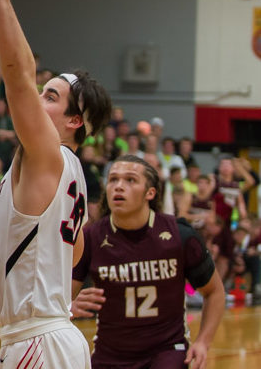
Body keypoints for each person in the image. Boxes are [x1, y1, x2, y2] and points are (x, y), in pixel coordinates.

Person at [0, 0, 111, 369]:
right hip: (49, 336)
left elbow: (18, 72)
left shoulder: (48, 154)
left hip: (37, 340)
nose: (37, 98)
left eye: (50, 96)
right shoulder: (71, 173)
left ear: (75, 122)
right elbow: (71, 252)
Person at [71, 155, 225, 369]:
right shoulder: (91, 238)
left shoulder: (180, 234)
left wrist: (203, 342)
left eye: (130, 180)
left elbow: (215, 292)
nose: (118, 186)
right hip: (110, 352)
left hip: (167, 350)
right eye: (113, 179)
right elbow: (60, 299)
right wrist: (69, 307)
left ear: (150, 193)